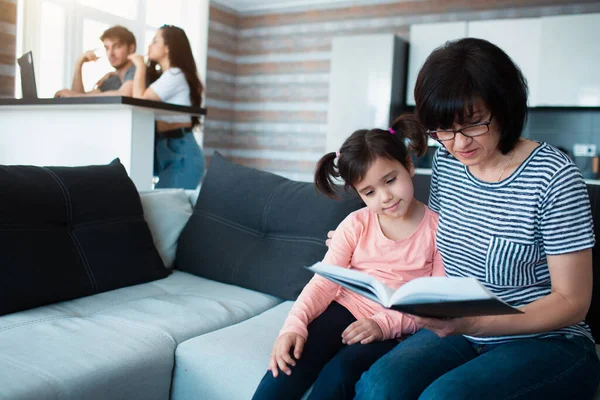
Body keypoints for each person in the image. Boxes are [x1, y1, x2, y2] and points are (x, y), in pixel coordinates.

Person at [353, 38, 600, 399]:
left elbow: (572, 301)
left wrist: (476, 323)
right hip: (463, 329)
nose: (458, 143)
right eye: (443, 130)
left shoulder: (554, 177)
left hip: (547, 339)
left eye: (472, 124)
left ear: (503, 106)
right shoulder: (448, 164)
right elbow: (432, 238)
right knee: (378, 386)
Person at [252, 114, 445, 400]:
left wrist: (383, 325)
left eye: (390, 180)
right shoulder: (356, 224)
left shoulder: (438, 230)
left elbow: (433, 302)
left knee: (339, 375)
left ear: (408, 166)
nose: (385, 197)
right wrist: (293, 326)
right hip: (343, 309)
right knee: (289, 363)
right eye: (370, 192)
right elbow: (323, 283)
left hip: (391, 325)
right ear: (359, 194)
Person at [127, 25, 205, 189]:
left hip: (180, 152)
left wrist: (140, 66)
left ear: (168, 48)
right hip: (170, 148)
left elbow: (140, 100)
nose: (150, 45)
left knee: (168, 211)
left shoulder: (174, 75)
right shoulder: (167, 76)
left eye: (155, 41)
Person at [55, 25, 136, 98]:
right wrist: (78, 64)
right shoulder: (113, 80)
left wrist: (73, 96)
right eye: (107, 48)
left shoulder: (138, 71)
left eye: (117, 47)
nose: (110, 53)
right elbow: (79, 100)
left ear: (131, 48)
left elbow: (125, 94)